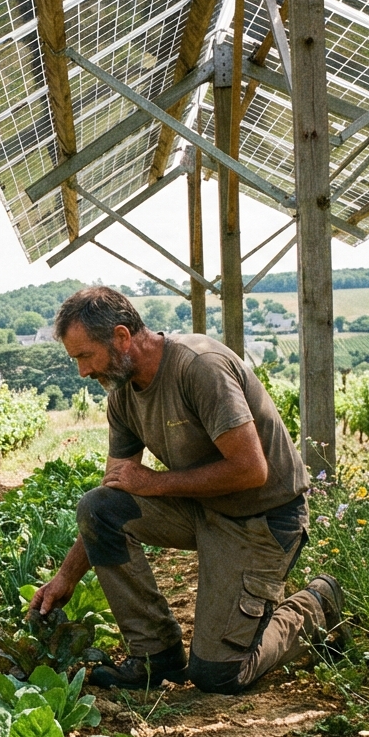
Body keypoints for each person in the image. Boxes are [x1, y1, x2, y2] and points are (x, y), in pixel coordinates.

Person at [30, 287, 345, 694]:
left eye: (85, 357)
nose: (83, 372)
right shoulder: (122, 396)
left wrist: (156, 483)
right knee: (101, 507)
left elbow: (252, 470)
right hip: (203, 508)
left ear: (122, 338)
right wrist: (65, 578)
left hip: (263, 518)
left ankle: (315, 605)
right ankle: (154, 653)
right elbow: (116, 490)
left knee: (219, 673)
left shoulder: (200, 366)